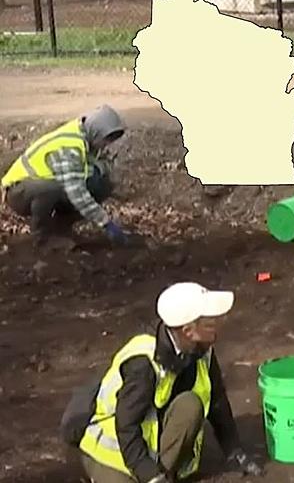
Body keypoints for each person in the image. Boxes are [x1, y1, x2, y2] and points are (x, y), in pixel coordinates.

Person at [63, 282, 261, 483]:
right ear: (188, 331)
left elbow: (217, 400)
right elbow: (126, 427)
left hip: (149, 445)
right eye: (210, 324)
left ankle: (163, 474)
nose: (218, 327)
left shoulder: (201, 350)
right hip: (112, 455)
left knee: (190, 405)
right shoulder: (143, 364)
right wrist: (151, 476)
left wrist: (233, 450)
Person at [1, 105, 130, 249]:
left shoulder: (84, 137)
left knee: (101, 185)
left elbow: (95, 170)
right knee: (51, 188)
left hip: (39, 187)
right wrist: (106, 223)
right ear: (96, 132)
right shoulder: (70, 147)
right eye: (105, 140)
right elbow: (76, 193)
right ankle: (43, 238)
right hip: (17, 191)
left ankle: (61, 230)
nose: (106, 145)